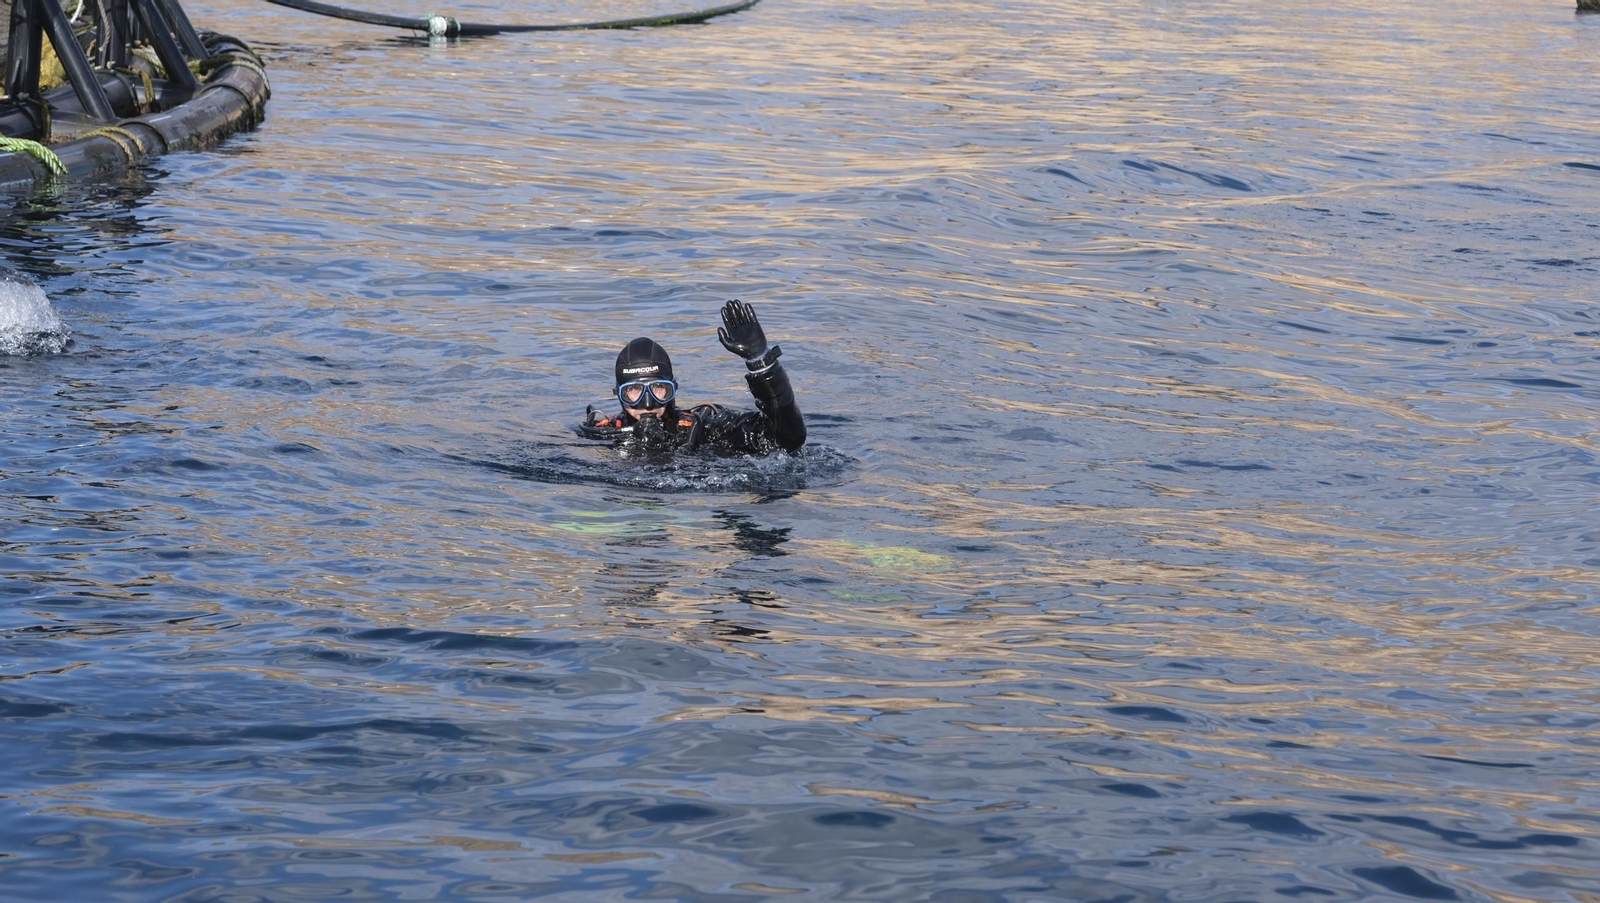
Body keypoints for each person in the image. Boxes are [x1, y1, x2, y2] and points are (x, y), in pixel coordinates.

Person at [580, 300, 806, 455]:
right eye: (634, 391)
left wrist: (762, 364)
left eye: (659, 388)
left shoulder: (704, 427)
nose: (647, 405)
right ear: (619, 395)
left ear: (673, 389)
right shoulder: (600, 434)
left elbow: (788, 439)